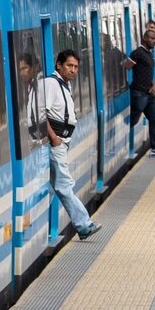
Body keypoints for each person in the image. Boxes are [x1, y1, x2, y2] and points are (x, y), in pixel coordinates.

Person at [38, 49, 101, 240]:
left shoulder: (65, 85)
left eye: (75, 67)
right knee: (64, 184)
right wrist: (54, 139)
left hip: (62, 142)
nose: (73, 70)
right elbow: (41, 113)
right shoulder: (51, 83)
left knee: (57, 185)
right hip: (55, 142)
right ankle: (83, 225)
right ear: (58, 65)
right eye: (69, 66)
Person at [122, 29, 155, 158]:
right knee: (133, 120)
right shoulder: (138, 53)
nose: (154, 41)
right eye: (152, 38)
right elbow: (126, 66)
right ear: (145, 38)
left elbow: (146, 72)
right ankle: (121, 144)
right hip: (139, 94)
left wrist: (152, 84)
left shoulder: (149, 54)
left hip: (149, 94)